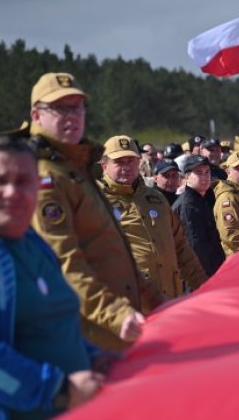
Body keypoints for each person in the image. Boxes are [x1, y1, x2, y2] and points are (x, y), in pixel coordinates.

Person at [0, 136, 104, 419]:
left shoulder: (33, 242)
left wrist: (93, 356)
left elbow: (54, 325)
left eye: (23, 181)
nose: (12, 192)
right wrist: (56, 389)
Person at [28, 72, 160, 351]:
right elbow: (64, 263)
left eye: (77, 107)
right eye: (61, 108)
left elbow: (111, 245)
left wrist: (157, 299)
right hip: (91, 335)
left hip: (118, 323)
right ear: (36, 115)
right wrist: (115, 314)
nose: (72, 116)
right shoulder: (45, 178)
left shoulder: (75, 167)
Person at [99, 135, 206, 299]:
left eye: (131, 161)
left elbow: (180, 247)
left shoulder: (156, 199)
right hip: (129, 306)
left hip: (169, 298)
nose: (127, 167)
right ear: (104, 166)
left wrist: (203, 287)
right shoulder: (96, 201)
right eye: (119, 162)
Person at [172, 155, 226, 277]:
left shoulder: (202, 199)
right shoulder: (188, 205)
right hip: (200, 275)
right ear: (186, 176)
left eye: (207, 172)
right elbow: (195, 247)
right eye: (199, 173)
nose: (205, 177)